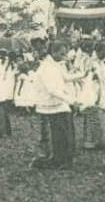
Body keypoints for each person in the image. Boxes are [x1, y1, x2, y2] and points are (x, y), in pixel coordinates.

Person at [31, 40, 76, 169]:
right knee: (59, 133)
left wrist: (83, 75)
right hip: (51, 104)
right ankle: (60, 159)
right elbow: (52, 89)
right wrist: (71, 100)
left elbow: (66, 77)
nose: (64, 57)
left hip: (58, 103)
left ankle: (65, 158)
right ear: (54, 52)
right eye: (62, 54)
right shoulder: (47, 67)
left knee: (65, 132)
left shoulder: (55, 64)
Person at [82, 41, 105, 150]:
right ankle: (94, 142)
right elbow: (88, 78)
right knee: (94, 115)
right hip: (94, 92)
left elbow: (104, 79)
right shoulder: (91, 62)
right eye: (103, 52)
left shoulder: (101, 63)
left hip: (103, 91)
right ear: (98, 51)